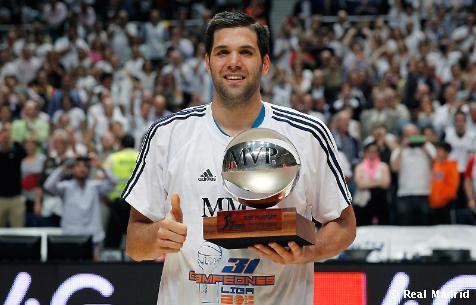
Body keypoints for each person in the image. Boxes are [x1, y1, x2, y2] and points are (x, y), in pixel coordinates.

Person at [124, 11, 356, 305]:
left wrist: (310, 252)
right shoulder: (168, 134)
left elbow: (344, 225)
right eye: (223, 52)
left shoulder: (307, 135)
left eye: (246, 52)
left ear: (266, 63)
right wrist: (158, 235)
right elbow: (134, 242)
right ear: (208, 62)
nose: (233, 62)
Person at [44, 154, 117, 258]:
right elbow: (48, 185)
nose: (82, 169)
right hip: (71, 237)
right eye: (78, 166)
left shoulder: (95, 186)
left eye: (85, 166)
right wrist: (64, 167)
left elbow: (114, 182)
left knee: (95, 271)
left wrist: (100, 167)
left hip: (93, 237)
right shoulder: (66, 187)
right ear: (72, 169)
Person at [103, 134, 138, 248]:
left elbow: (105, 174)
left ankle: (112, 260)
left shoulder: (112, 157)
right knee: (135, 234)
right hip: (136, 203)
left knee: (114, 236)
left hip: (117, 201)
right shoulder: (141, 157)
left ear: (121, 145)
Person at [429, 142, 459, 224]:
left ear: (446, 152)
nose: (437, 152)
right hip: (434, 203)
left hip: (445, 204)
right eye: (437, 149)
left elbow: (453, 186)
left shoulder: (451, 166)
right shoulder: (436, 164)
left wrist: (443, 200)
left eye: (440, 150)